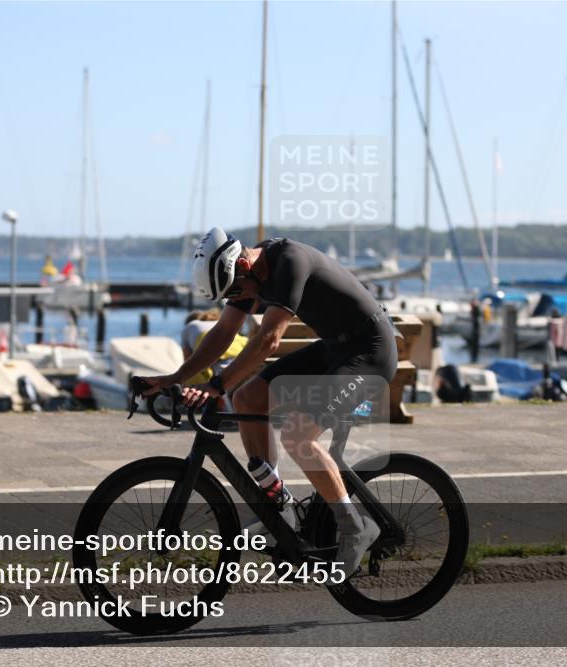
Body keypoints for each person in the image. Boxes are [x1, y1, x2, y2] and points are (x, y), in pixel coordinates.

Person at [140, 227, 399, 580]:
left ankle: (355, 527)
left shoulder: (290, 261)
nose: (241, 300)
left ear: (243, 265)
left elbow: (268, 341)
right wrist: (176, 378)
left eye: (236, 291)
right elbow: (223, 332)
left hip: (370, 352)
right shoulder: (247, 274)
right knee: (246, 398)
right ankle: (280, 506)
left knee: (298, 435)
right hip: (335, 348)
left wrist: (216, 385)